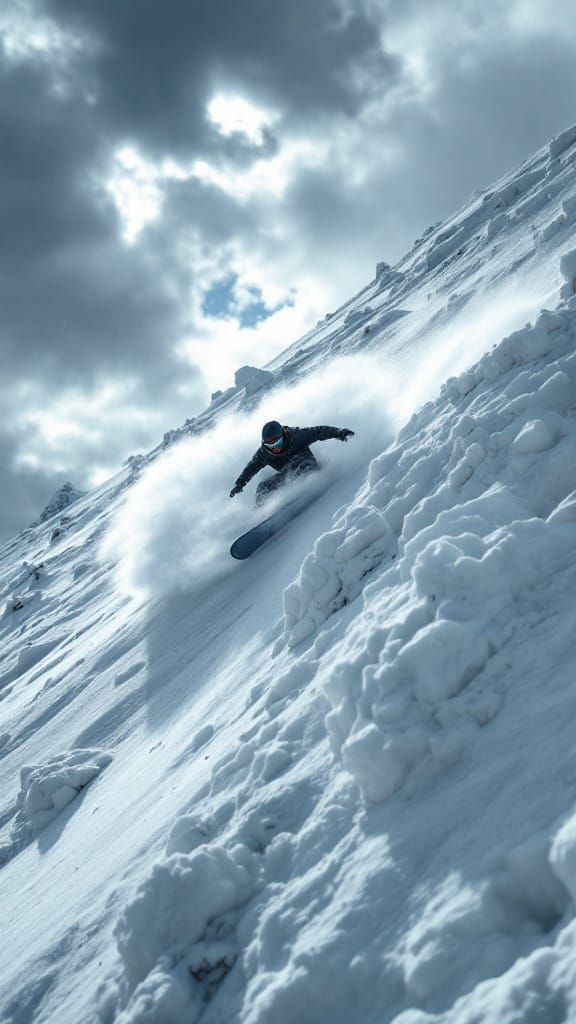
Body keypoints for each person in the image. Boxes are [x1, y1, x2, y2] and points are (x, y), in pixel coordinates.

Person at [230, 420, 354, 506]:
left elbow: (318, 431)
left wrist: (338, 432)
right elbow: (251, 467)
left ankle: (303, 490)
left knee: (300, 465)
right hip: (288, 473)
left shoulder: (297, 435)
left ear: (283, 435)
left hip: (306, 464)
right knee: (263, 487)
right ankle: (261, 512)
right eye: (270, 444)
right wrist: (240, 484)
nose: (275, 447)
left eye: (277, 442)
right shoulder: (264, 453)